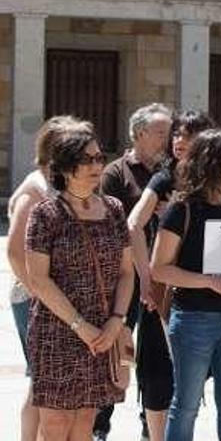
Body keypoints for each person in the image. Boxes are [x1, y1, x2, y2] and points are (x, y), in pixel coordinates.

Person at [24, 127, 135, 441]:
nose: (97, 165)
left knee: (86, 420)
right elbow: (39, 280)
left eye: (99, 157)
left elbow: (127, 272)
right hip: (57, 330)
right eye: (87, 159)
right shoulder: (45, 214)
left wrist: (116, 320)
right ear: (65, 167)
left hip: (103, 330)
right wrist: (79, 325)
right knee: (56, 424)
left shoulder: (113, 209)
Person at [151, 129, 221, 441]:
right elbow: (159, 269)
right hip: (193, 318)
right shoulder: (183, 209)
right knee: (186, 406)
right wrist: (211, 281)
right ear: (214, 162)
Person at [126, 110, 215, 441]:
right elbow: (133, 224)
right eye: (176, 134)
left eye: (187, 134)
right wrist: (147, 278)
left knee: (192, 373)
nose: (179, 141)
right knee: (157, 371)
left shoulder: (212, 183)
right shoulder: (164, 178)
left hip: (200, 290)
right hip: (163, 289)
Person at [7, 116, 92, 441]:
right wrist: (42, 295)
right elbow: (15, 252)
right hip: (35, 299)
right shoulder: (36, 189)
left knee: (44, 381)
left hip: (59, 299)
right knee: (44, 380)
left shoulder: (59, 186)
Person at [96, 102, 172, 441]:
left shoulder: (172, 173)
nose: (166, 139)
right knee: (117, 350)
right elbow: (111, 226)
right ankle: (101, 423)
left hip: (161, 277)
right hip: (124, 278)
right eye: (160, 132)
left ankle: (149, 422)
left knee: (155, 356)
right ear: (140, 133)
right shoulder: (116, 173)